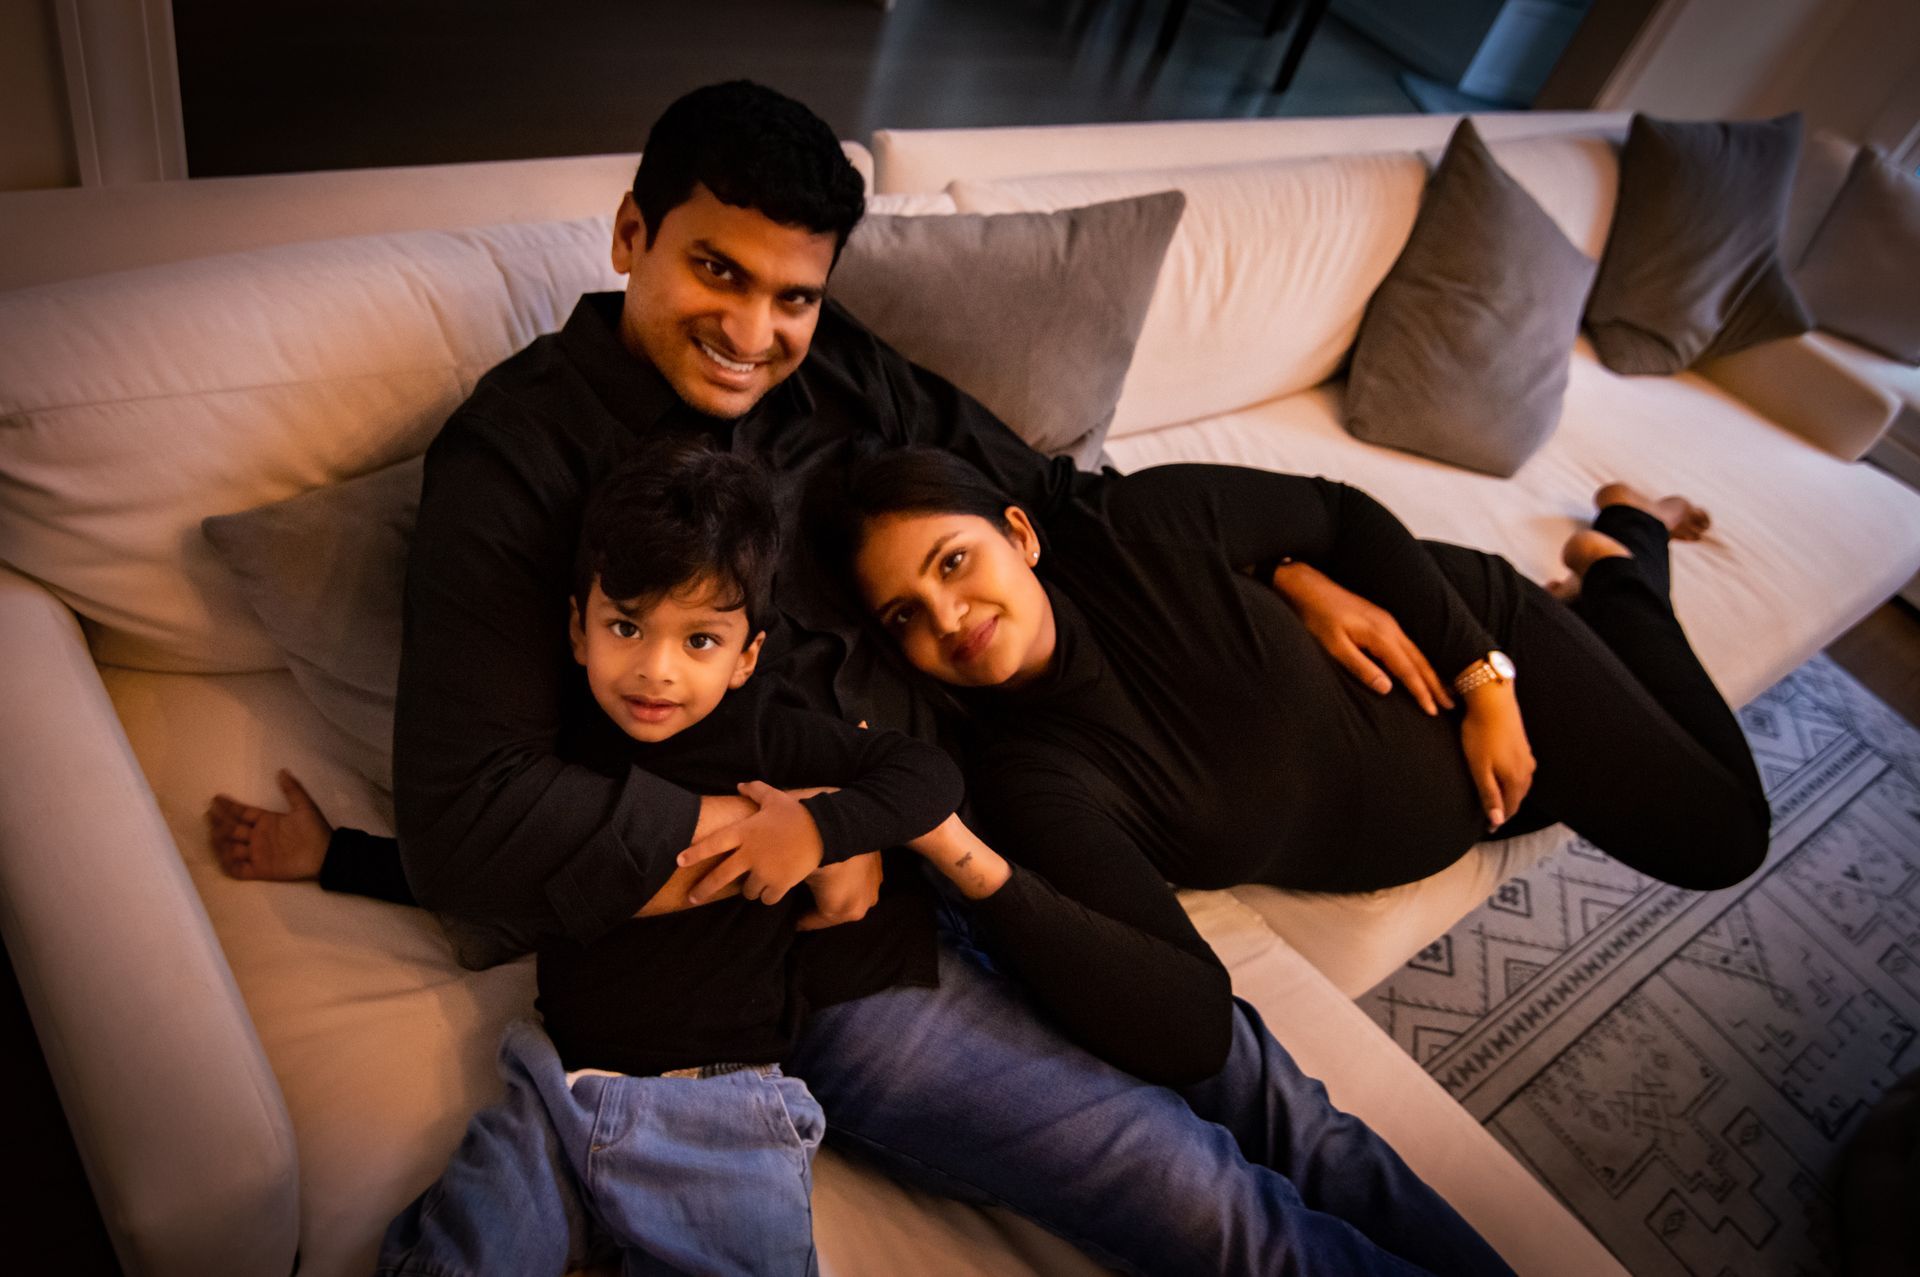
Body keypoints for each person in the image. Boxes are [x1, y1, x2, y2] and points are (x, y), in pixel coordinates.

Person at [209, 79, 1515, 1276]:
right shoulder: (513, 459)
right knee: (1212, 1206)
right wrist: (781, 835)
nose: (750, 330)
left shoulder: (829, 367)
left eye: (792, 294)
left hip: (997, 820)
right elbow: (468, 821)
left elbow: (1045, 496)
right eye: (715, 270)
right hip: (824, 951)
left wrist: (1290, 565)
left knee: (1298, 1118)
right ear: (629, 236)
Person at [830, 447, 1772, 1076]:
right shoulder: (1035, 782)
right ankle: (1612, 583)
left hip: (1481, 651)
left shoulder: (1136, 524)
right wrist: (969, 860)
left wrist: (1485, 679)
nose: (947, 618)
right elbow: (1193, 1025)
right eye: (904, 615)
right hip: (1483, 789)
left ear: (1021, 536)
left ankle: (1620, 559)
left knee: (1725, 836)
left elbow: (1339, 515)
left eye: (954, 563)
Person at [369, 443, 964, 1275]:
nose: (655, 669)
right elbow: (484, 869)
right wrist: (328, 853)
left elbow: (928, 775)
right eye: (626, 626)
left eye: (700, 641)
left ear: (747, 656)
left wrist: (819, 830)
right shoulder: (556, 749)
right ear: (579, 630)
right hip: (559, 1096)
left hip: (724, 1109)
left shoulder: (766, 736)